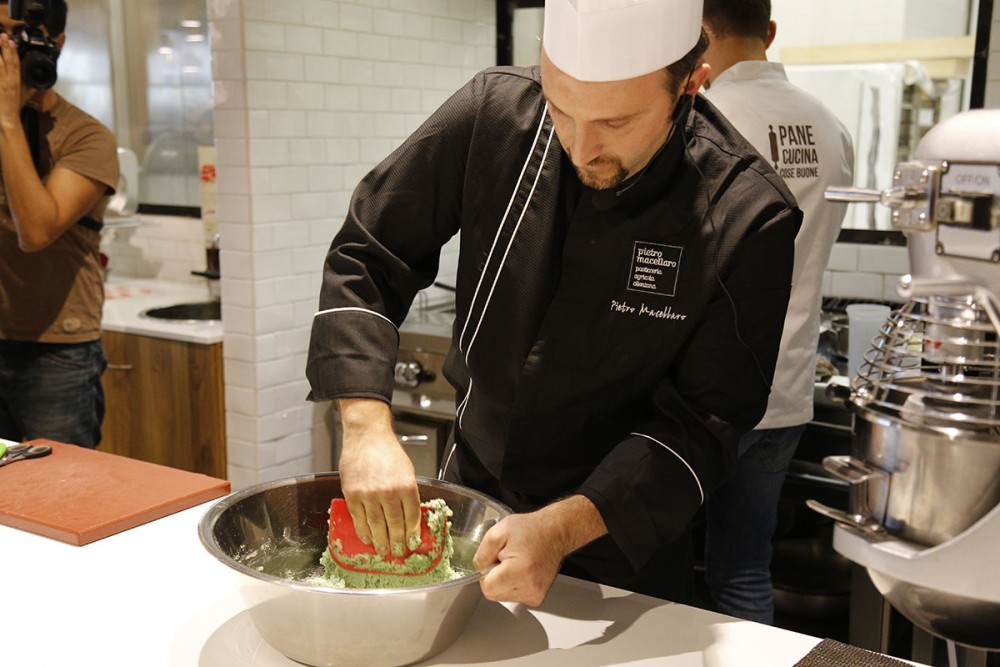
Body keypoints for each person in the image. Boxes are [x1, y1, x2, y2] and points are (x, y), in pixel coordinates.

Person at [307, 0, 800, 607]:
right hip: (472, 506)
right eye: (561, 109)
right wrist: (364, 427)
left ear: (692, 85)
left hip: (617, 550)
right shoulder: (494, 112)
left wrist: (560, 528)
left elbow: (703, 424)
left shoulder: (747, 214)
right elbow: (369, 252)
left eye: (617, 123)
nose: (580, 147)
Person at [699, 0, 855, 624]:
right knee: (743, 565)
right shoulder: (832, 126)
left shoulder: (704, 117)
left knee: (654, 565)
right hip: (786, 385)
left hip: (702, 394)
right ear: (769, 32)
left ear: (700, 34)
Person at [0, 0, 119, 449]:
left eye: (18, 36)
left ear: (57, 43)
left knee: (65, 492)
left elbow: (36, 231)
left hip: (58, 348)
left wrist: (7, 119)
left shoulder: (86, 136)